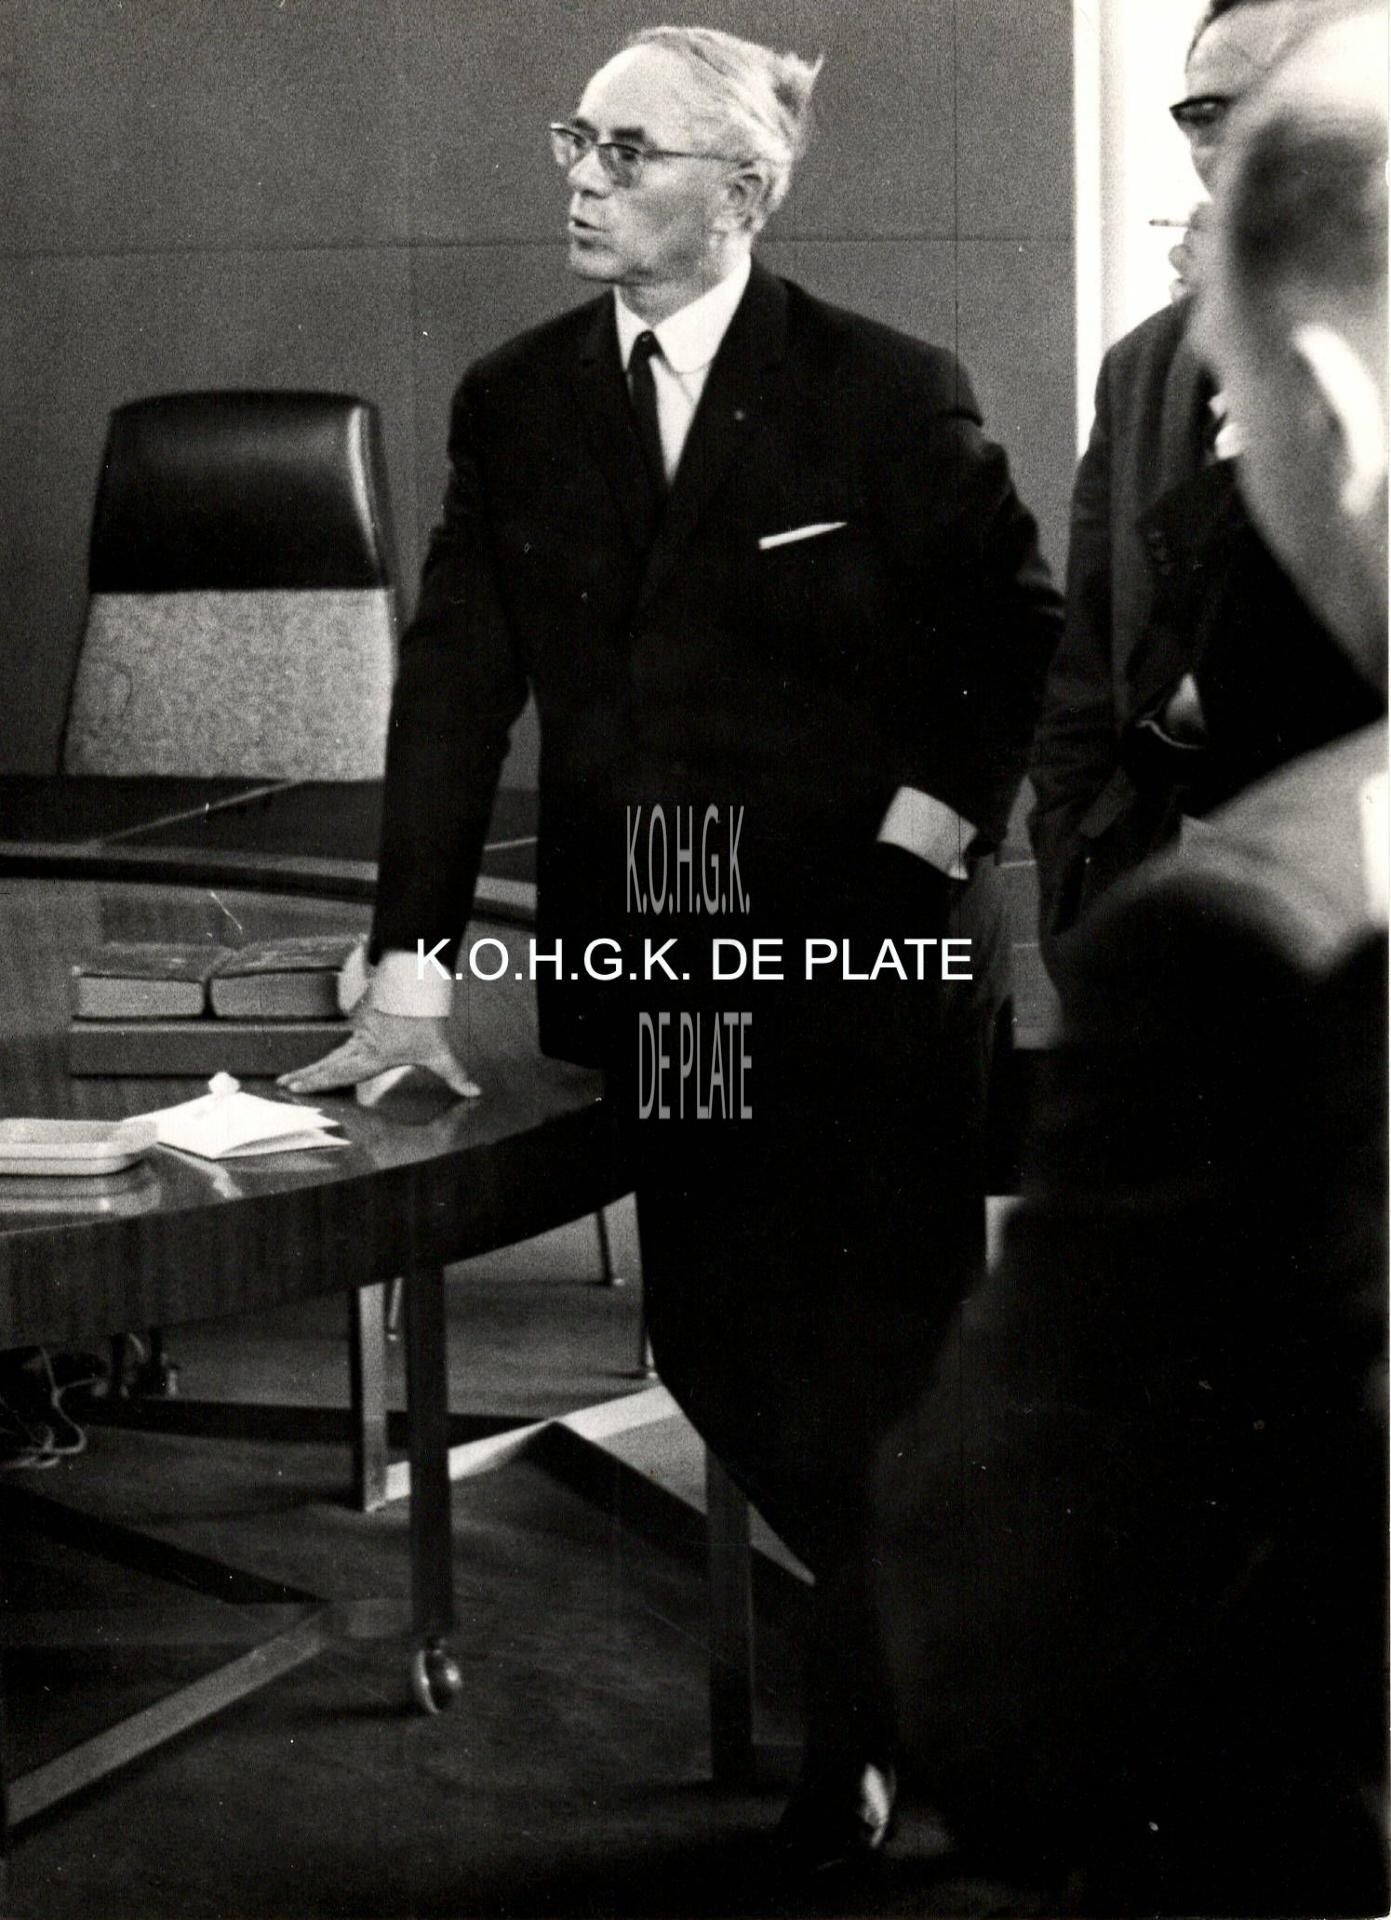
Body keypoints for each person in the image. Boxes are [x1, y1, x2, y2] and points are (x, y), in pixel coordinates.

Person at [282, 24, 1062, 1868]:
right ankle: (956, 1641)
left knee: (881, 1342)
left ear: (745, 190)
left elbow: (1010, 631)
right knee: (712, 1329)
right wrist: (410, 960)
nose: (582, 174)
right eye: (578, 138)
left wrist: (917, 847)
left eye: (627, 150)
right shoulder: (516, 398)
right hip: (674, 936)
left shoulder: (884, 387)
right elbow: (455, 686)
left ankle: (855, 1747)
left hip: (868, 945)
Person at [876, 7, 1388, 1910]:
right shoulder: (1135, 370)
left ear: (1318, 398)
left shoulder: (1256, 942)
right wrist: (1088, 846)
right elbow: (1085, 654)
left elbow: (1019, 1670)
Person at [1028, 0, 1381, 968]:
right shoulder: (1145, 366)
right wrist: (1076, 869)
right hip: (1170, 898)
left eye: (1275, 102)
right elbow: (1087, 662)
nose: (1236, 141)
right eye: (1203, 112)